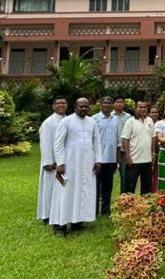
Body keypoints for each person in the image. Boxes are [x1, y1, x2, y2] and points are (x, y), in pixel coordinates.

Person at [49, 97, 101, 236]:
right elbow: (58, 144)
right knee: (66, 192)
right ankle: (59, 225)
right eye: (81, 106)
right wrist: (60, 163)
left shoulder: (92, 122)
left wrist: (98, 160)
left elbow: (97, 143)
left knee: (83, 191)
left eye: (86, 107)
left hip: (87, 164)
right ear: (75, 107)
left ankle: (77, 221)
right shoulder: (66, 121)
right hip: (70, 164)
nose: (84, 109)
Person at [37, 96, 67, 223]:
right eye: (58, 103)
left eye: (64, 103)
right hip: (52, 163)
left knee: (62, 189)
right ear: (53, 106)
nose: (61, 105)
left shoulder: (68, 120)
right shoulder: (49, 123)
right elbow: (45, 143)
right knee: (49, 188)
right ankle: (47, 215)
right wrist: (48, 162)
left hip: (64, 162)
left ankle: (61, 213)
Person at [93, 96, 119, 216]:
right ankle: (93, 211)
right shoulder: (94, 119)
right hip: (98, 159)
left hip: (111, 158)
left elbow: (118, 140)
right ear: (100, 104)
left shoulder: (115, 119)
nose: (107, 105)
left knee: (108, 186)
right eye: (105, 103)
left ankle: (105, 210)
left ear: (112, 105)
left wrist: (118, 158)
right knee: (96, 186)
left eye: (109, 103)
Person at [121, 100, 155, 194]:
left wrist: (153, 153)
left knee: (146, 188)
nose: (143, 109)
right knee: (130, 187)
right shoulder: (130, 122)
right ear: (136, 108)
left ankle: (145, 207)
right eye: (140, 107)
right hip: (134, 160)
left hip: (147, 161)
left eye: (144, 107)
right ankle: (129, 207)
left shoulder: (150, 120)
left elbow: (153, 138)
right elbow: (125, 140)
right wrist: (128, 157)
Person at [113, 97, 132, 195]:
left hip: (124, 150)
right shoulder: (110, 116)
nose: (119, 104)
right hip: (112, 149)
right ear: (114, 104)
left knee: (124, 174)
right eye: (117, 102)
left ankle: (123, 195)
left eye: (121, 102)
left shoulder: (128, 117)